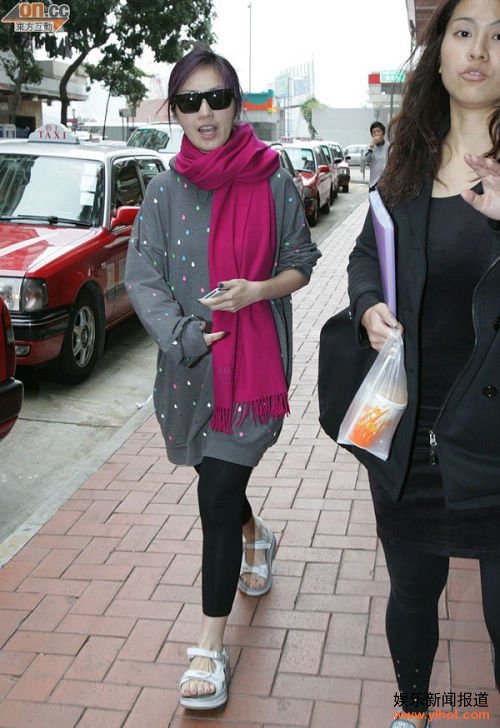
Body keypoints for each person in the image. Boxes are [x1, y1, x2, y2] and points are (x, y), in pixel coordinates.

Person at [124, 44, 320, 711]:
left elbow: (302, 262)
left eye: (217, 98)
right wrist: (183, 334)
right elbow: (143, 275)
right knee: (217, 486)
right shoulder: (162, 190)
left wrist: (256, 291)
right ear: (175, 111)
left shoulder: (272, 179)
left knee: (215, 493)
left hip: (254, 368)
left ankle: (210, 646)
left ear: (237, 104)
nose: (205, 113)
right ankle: (255, 535)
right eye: (190, 101)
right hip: (190, 373)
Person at [346, 1, 500, 727]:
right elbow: (362, 254)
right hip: (410, 429)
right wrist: (369, 305)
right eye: (464, 33)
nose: (480, 50)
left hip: (494, 436)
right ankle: (412, 711)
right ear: (438, 54)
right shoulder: (406, 168)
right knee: (411, 591)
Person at [363, 120, 389, 189]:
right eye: (374, 132)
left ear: (383, 133)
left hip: (387, 183)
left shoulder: (389, 146)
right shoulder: (369, 147)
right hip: (374, 183)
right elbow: (366, 159)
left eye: (378, 131)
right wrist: (371, 146)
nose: (376, 134)